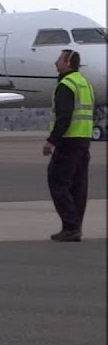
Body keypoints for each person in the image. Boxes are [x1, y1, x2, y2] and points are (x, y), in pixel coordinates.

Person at [43, 49, 95, 241]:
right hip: (83, 141)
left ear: (67, 63)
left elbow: (64, 117)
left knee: (57, 182)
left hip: (68, 142)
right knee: (78, 187)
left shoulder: (66, 85)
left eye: (59, 59)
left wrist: (51, 141)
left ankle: (71, 226)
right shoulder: (85, 84)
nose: (56, 63)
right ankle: (75, 228)